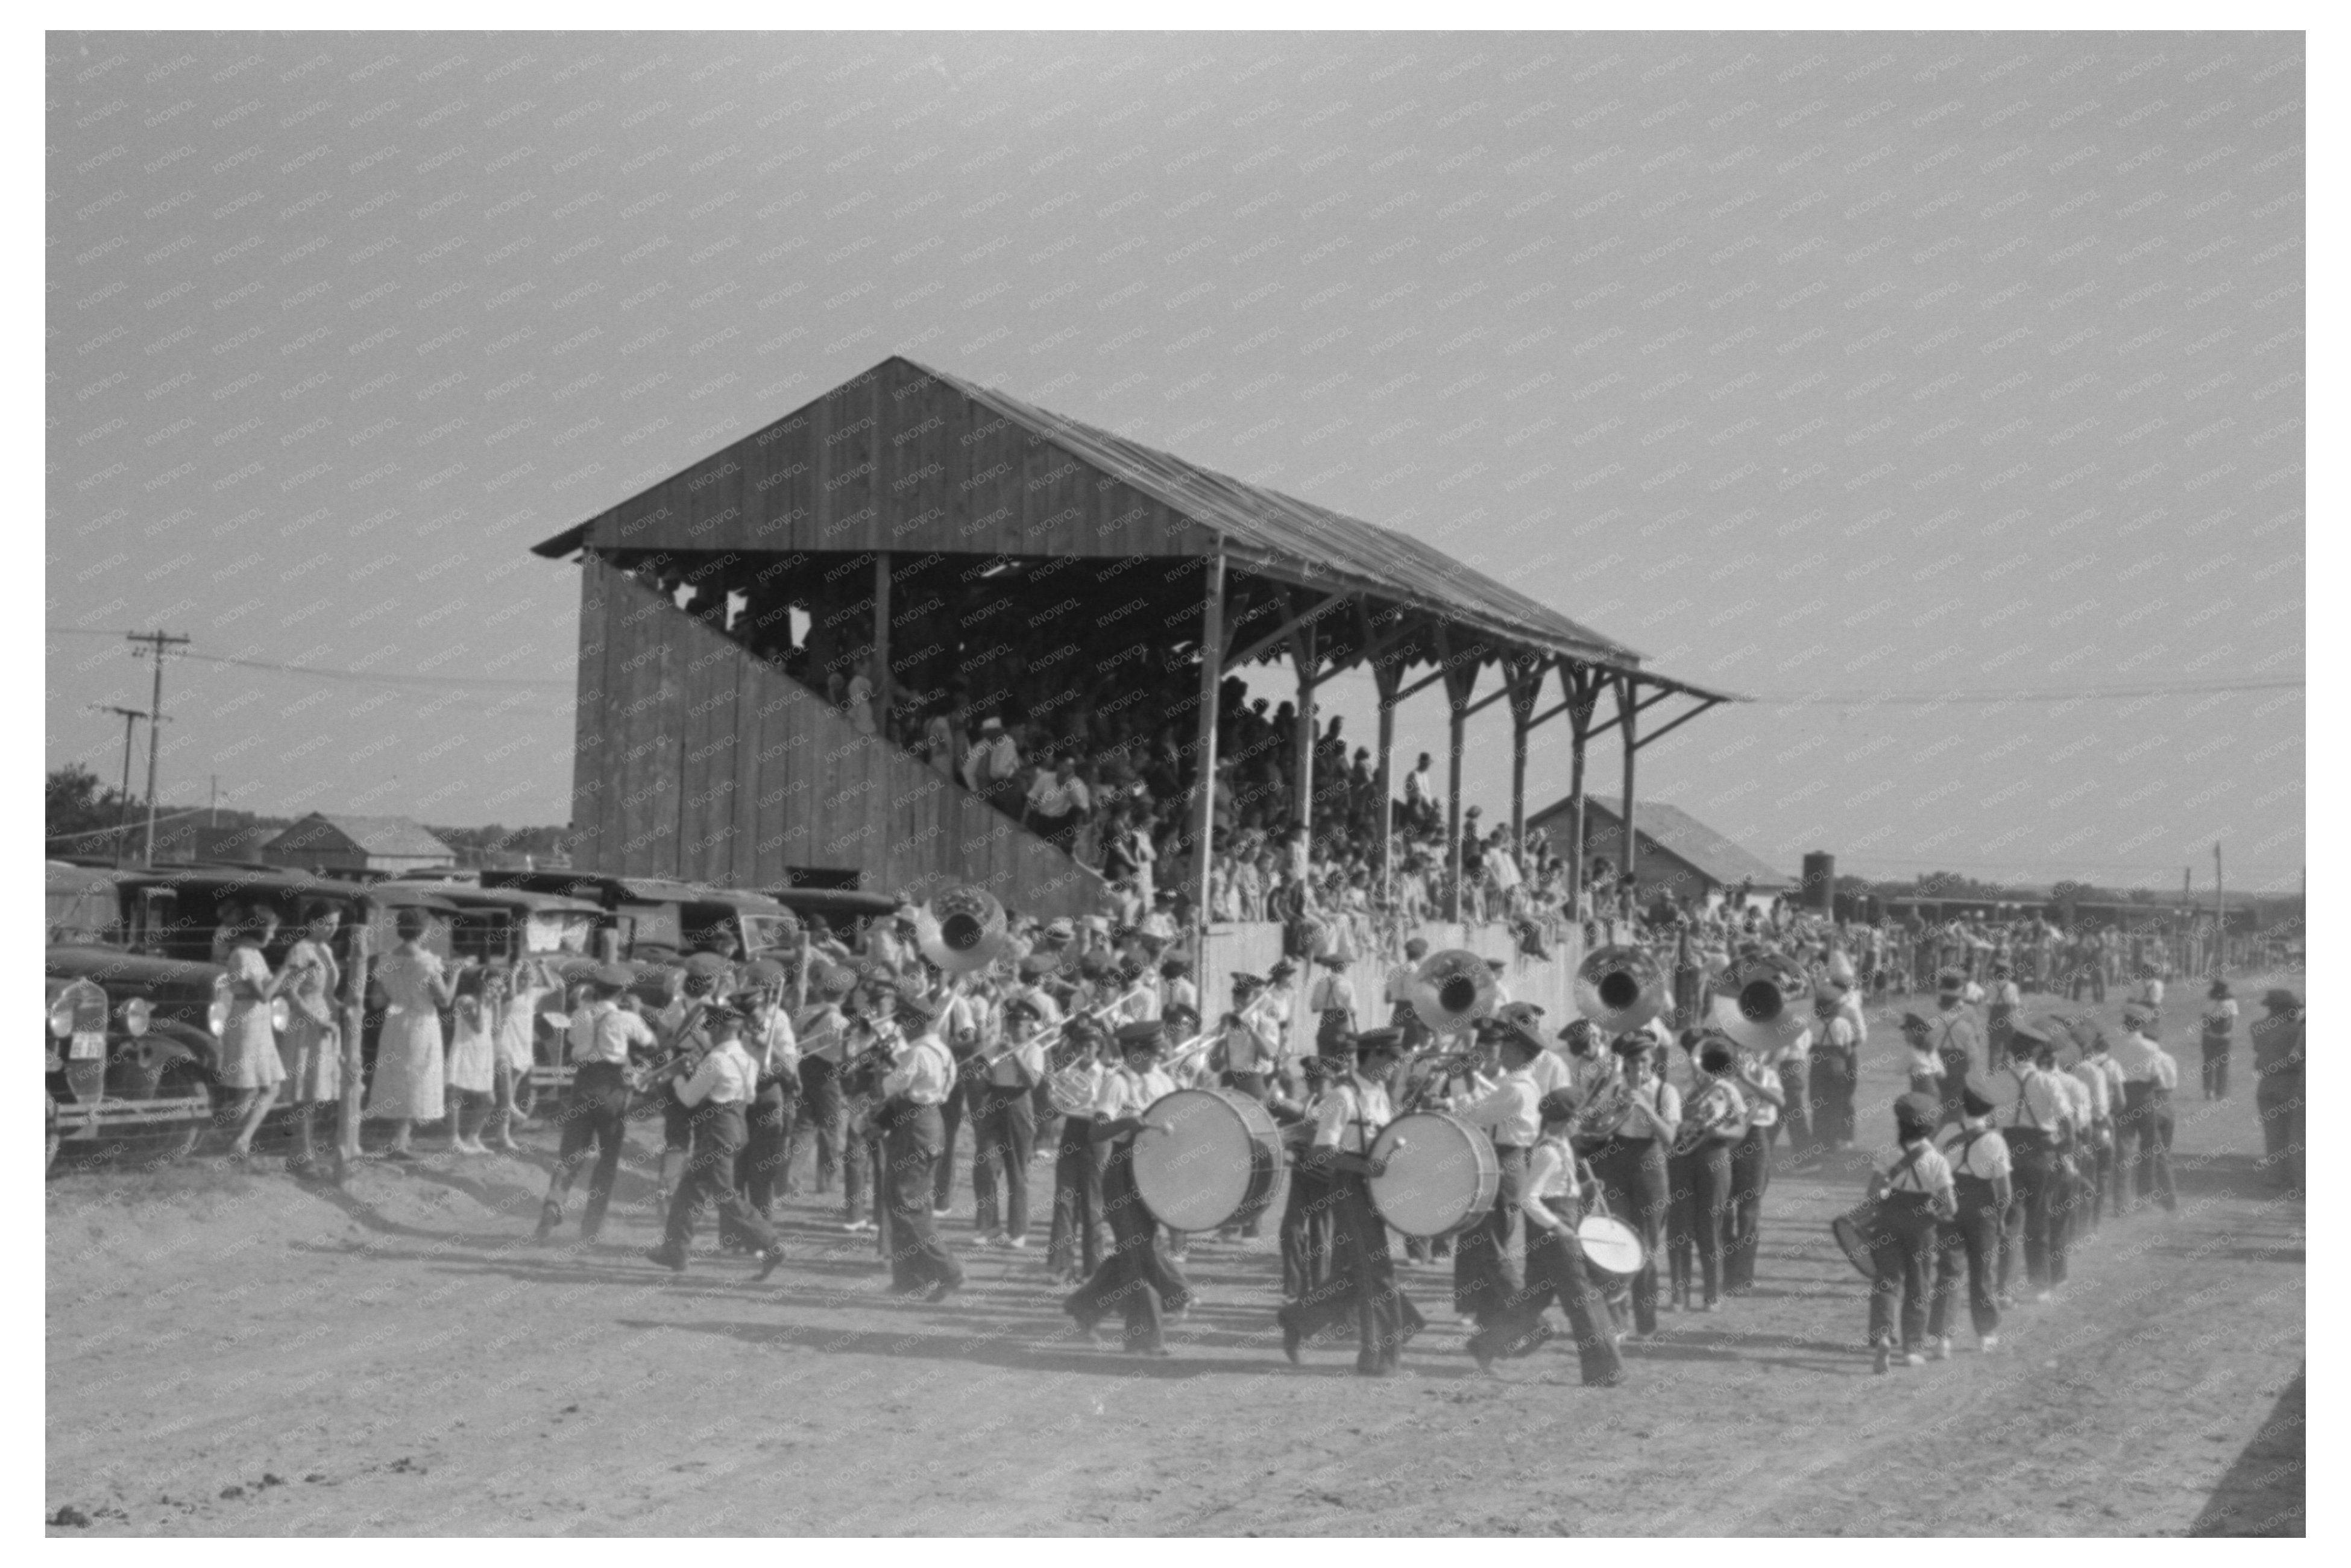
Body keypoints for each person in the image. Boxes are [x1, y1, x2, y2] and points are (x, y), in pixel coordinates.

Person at [1277, 1029, 1424, 1376]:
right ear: (1373, 1056)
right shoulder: (1342, 1096)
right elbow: (1321, 1151)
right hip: (1348, 1188)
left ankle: (1297, 1321)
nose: (1395, 1066)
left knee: (1361, 1274)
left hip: (1374, 1189)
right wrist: (1363, 1166)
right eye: (1391, 1059)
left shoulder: (1380, 1094)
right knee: (1378, 1272)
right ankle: (1380, 1357)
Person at [1464, 1089, 1625, 1383]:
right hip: (1555, 1233)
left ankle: (1484, 1344)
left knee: (1535, 1298)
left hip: (1555, 1227)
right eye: (1576, 1118)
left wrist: (1586, 1191)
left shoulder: (1561, 1145)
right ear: (1567, 1120)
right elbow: (1529, 1198)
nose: (1579, 1123)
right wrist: (1557, 1226)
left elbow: (1559, 1191)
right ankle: (1604, 1371)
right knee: (1583, 1296)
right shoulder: (1548, 1152)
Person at [1065, 1021, 1191, 1353]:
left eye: (1161, 1049)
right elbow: (1096, 1132)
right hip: (1123, 1173)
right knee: (1142, 1252)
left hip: (1156, 1172)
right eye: (1153, 1051)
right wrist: (1125, 1123)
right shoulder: (1116, 1083)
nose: (1160, 1055)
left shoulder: (1163, 1079)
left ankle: (1084, 1308)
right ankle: (1151, 1330)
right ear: (1134, 1052)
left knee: (1132, 1253)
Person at [645, 998, 786, 1278]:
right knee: (689, 1193)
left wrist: (676, 1076)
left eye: (709, 1028)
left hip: (716, 1133)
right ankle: (675, 1251)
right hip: (735, 1128)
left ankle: (771, 1244)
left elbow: (687, 1098)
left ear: (721, 1030)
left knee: (726, 1195)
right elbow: (749, 1096)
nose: (706, 1033)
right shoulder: (746, 1058)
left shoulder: (716, 1059)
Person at [535, 966, 658, 1244]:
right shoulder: (626, 1018)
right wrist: (636, 1014)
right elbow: (651, 1044)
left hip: (583, 1084)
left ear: (596, 989)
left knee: (571, 1154)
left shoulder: (580, 1014)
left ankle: (553, 1204)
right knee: (607, 1159)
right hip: (612, 1088)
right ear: (623, 993)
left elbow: (572, 1042)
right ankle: (591, 1226)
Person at [1446, 1016, 1547, 1337]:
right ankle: (1491, 1322)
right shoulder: (1516, 1083)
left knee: (1494, 1247)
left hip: (1506, 1162)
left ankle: (1529, 1317)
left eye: (1505, 1046)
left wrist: (1453, 1094)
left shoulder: (1517, 1088)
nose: (1499, 1050)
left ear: (1517, 1051)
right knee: (1483, 1241)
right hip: (1499, 1159)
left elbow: (1476, 1112)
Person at [1584, 1033, 1680, 1338]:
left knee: (1647, 1248)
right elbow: (1597, 1129)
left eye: (1645, 1062)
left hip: (1650, 1163)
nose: (1640, 1068)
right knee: (1618, 1241)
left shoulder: (1667, 1091)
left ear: (1653, 1063)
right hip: (1617, 1159)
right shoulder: (1615, 1087)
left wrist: (1646, 1108)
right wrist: (1612, 1108)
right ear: (1625, 1065)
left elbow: (1670, 1138)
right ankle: (1617, 1323)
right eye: (1634, 1062)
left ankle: (1646, 1323)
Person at [875, 980, 966, 1300]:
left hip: (914, 1122)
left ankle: (947, 1270)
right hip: (932, 1120)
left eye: (905, 1024)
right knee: (915, 1203)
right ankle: (911, 1277)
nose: (903, 1030)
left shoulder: (917, 1051)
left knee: (904, 1204)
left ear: (915, 1022)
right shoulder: (942, 1050)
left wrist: (885, 1068)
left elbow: (891, 1086)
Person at [1864, 1093, 1957, 1373]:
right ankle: (1913, 1347)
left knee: (1886, 1281)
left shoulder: (1888, 1153)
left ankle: (1882, 1334)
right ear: (1930, 1128)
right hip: (1922, 1225)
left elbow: (1872, 1194)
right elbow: (1949, 1205)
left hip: (1889, 1219)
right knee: (1919, 1285)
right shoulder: (1937, 1160)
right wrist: (1939, 1212)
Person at [365, 908, 468, 1160]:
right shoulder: (427, 962)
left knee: (398, 1075)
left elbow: (377, 1001)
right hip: (422, 1022)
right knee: (417, 1076)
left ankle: (399, 1138)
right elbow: (444, 999)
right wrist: (455, 973)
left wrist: (398, 993)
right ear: (424, 931)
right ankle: (400, 1141)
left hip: (396, 1020)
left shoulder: (386, 960)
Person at [1986, 1019, 2072, 1302]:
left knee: (2009, 1222)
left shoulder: (1997, 1079)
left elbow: (1986, 1120)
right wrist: (2064, 1148)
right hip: (2041, 1152)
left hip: (2006, 1151)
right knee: (2040, 1219)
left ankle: (2004, 1289)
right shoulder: (2047, 1081)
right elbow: (2067, 1122)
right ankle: (2040, 1285)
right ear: (2036, 1052)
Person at [1930, 1086, 2012, 1356]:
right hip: (1982, 1211)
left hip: (1950, 1206)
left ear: (1964, 1107)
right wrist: (2000, 1219)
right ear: (1989, 1112)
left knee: (1949, 1270)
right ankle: (1986, 1333)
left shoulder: (1947, 1132)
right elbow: (2005, 1192)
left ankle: (1943, 1338)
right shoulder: (1995, 1141)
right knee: (1982, 1272)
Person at [1666, 1038, 1745, 1314]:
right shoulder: (1677, 1085)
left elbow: (1740, 1130)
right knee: (1678, 1229)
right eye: (1694, 1055)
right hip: (1679, 1157)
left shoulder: (1727, 1090)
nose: (1698, 1063)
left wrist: (1719, 1134)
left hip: (1714, 1156)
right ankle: (1679, 1295)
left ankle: (1712, 1294)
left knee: (1711, 1227)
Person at [972, 988, 1045, 1249]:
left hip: (1019, 1103)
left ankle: (1018, 1231)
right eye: (1010, 1022)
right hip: (995, 1102)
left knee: (1017, 1171)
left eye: (1019, 1024)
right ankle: (989, 1226)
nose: (1013, 1028)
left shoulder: (1034, 1049)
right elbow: (983, 1086)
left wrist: (1013, 1053)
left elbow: (1032, 1082)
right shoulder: (995, 1048)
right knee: (985, 1166)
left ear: (1029, 1027)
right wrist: (980, 1075)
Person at [274, 901, 342, 1174]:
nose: (332, 929)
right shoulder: (301, 950)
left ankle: (301, 1153)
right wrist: (317, 1021)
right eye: (326, 922)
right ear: (312, 922)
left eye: (336, 923)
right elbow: (290, 993)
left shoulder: (326, 950)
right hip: (306, 1023)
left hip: (325, 1022)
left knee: (315, 1093)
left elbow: (330, 991)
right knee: (304, 1092)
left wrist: (338, 1013)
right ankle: (302, 1155)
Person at [216, 909, 289, 1160]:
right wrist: (286, 970)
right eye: (270, 931)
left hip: (260, 1022)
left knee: (272, 1086)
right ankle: (222, 1136)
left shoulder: (256, 954)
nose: (273, 936)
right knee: (247, 1090)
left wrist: (297, 975)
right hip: (246, 1021)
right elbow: (264, 994)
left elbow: (274, 986)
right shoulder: (241, 955)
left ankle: (241, 1139)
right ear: (257, 930)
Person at [1046, 1019, 1115, 1286]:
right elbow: (1053, 1110)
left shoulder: (1109, 1076)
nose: (1085, 1050)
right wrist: (1053, 1096)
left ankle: (1093, 1270)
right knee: (1064, 1200)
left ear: (1099, 1048)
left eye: (1091, 1045)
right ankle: (1060, 1267)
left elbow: (1111, 1109)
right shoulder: (1066, 1074)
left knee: (1093, 1204)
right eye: (1081, 1046)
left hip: (1097, 1135)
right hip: (1072, 1131)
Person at [1721, 1036, 1781, 1296]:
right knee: (1722, 1209)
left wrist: (1748, 1080)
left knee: (1749, 1211)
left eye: (1747, 1048)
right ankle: (1727, 1271)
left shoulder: (1766, 1074)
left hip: (1756, 1139)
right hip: (1725, 1138)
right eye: (1738, 1048)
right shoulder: (1720, 1075)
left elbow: (1780, 1102)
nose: (1743, 1053)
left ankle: (1743, 1275)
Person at [2107, 1004, 2179, 1215]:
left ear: (2126, 1024)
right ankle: (2146, 1197)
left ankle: (2121, 1202)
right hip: (2146, 1098)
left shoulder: (2116, 1046)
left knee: (2123, 1150)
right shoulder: (2150, 1047)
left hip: (2123, 1096)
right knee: (2151, 1149)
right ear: (2142, 1025)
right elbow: (2157, 1079)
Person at [2249, 989, 2305, 1196]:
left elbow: (2259, 1050)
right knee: (2295, 1133)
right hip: (2292, 1082)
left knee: (2273, 1132)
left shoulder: (2256, 1027)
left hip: (2267, 1083)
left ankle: (2275, 1176)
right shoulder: (2296, 1030)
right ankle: (2295, 1176)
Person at [444, 965, 499, 1155]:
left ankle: (473, 1137)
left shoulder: (489, 1002)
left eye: (497, 987)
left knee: (490, 1100)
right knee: (456, 1095)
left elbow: (496, 1029)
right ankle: (454, 1139)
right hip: (464, 1051)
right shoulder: (465, 1000)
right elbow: (478, 1027)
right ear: (480, 984)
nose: (495, 990)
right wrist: (482, 1001)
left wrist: (495, 1003)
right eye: (491, 985)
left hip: (483, 1053)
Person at [1926, 971, 1981, 1126]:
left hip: (1938, 1058)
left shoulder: (1934, 1011)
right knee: (1957, 1098)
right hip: (1960, 1060)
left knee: (1940, 1096)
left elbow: (1927, 1037)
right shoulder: (1969, 1012)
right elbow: (1975, 1039)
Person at [1809, 986, 1860, 1151]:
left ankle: (1819, 1139)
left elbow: (1809, 1048)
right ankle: (1833, 1141)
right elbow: (1847, 1051)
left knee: (1818, 1104)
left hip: (1818, 1067)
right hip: (1838, 1068)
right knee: (1836, 1104)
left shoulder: (1813, 1023)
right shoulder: (1843, 1024)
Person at [1308, 952, 1359, 1059]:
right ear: (1343, 967)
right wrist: (1355, 1028)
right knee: (1343, 1056)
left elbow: (1314, 1007)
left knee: (1324, 1054)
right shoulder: (1347, 984)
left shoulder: (1321, 982)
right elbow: (1353, 1009)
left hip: (1326, 1022)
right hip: (1341, 1023)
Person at [2199, 980, 2239, 1100]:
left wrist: (2208, 1032)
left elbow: (2205, 1018)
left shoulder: (2210, 1000)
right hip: (2225, 1037)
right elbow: (2232, 1020)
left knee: (2208, 1063)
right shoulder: (2231, 1002)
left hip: (2209, 1036)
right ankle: (2220, 1093)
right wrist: (2228, 1033)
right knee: (2223, 1066)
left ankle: (2208, 1090)